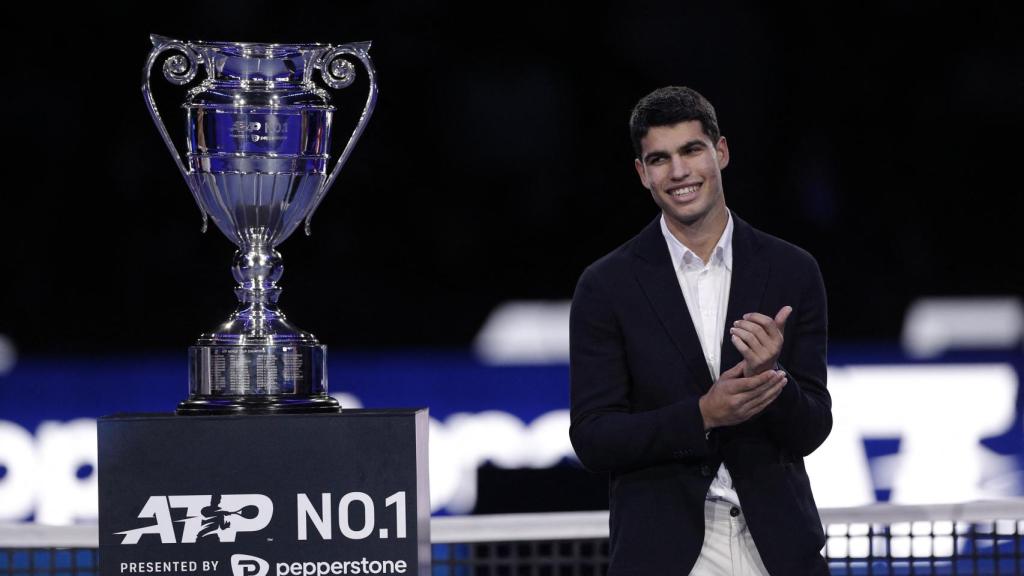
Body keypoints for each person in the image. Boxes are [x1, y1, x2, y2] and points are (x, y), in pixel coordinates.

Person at [569, 86, 831, 575]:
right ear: (642, 173)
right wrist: (703, 415)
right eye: (660, 158)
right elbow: (594, 437)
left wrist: (772, 379)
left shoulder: (792, 270)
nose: (680, 172)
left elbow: (813, 426)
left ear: (721, 152)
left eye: (692, 150)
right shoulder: (607, 286)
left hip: (778, 550)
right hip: (666, 555)